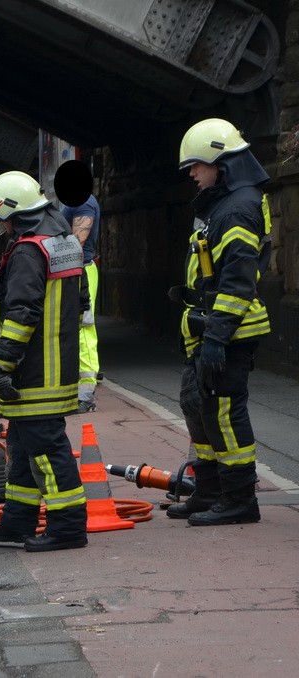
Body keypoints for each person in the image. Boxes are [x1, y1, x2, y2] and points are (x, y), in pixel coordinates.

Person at [167, 118, 271, 526]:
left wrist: (216, 337)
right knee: (199, 408)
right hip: (207, 327)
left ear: (220, 163)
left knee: (224, 413)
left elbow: (238, 280)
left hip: (228, 333)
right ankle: (209, 492)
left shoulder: (239, 207)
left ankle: (240, 500)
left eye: (196, 165)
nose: (192, 174)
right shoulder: (221, 204)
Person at [0, 170, 89, 552]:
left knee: (47, 448)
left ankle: (68, 527)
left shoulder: (29, 250)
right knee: (25, 447)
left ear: (14, 213)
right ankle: (18, 521)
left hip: (34, 370)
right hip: (57, 364)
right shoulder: (63, 244)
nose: (1, 228)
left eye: (2, 220)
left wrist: (3, 364)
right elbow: (81, 304)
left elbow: (21, 312)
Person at [62, 192, 102, 413]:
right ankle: (78, 391)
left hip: (81, 271)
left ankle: (85, 395)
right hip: (76, 270)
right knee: (77, 328)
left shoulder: (82, 201)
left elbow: (78, 240)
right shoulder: (74, 201)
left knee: (84, 328)